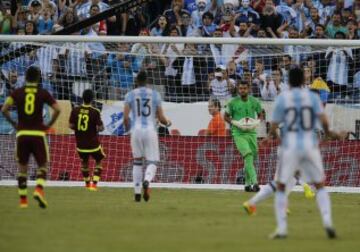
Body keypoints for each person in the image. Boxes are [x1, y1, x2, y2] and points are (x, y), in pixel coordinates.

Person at [266, 66, 338, 239]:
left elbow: (273, 125)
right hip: (309, 145)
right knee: (320, 185)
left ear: (289, 81)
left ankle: (282, 229)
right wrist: (330, 134)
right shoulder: (312, 98)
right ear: (304, 81)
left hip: (290, 146)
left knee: (282, 186)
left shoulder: (283, 98)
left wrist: (270, 137)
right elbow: (324, 121)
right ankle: (327, 222)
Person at [1, 65, 61, 208]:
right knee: (43, 166)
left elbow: (4, 109)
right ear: (38, 78)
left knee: (22, 168)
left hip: (22, 134)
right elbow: (57, 109)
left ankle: (23, 200)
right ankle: (39, 191)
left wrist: (14, 124)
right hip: (38, 134)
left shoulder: (17, 93)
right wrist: (48, 125)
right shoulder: (43, 93)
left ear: (26, 78)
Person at [123, 71, 171, 202]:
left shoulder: (130, 95)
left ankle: (137, 194)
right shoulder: (155, 95)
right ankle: (147, 180)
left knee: (137, 162)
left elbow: (125, 118)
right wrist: (168, 123)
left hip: (136, 130)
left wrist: (128, 129)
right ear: (147, 81)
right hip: (150, 130)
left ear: (136, 81)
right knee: (153, 161)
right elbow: (161, 118)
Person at [224, 81, 264, 192]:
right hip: (238, 133)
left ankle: (247, 184)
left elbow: (261, 114)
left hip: (252, 133)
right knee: (248, 154)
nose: (242, 90)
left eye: (244, 88)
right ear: (238, 89)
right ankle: (255, 182)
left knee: (251, 158)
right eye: (240, 88)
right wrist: (235, 123)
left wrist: (257, 122)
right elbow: (226, 116)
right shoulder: (233, 102)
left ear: (248, 89)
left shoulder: (254, 101)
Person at [69, 89, 105, 191]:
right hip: (93, 143)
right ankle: (94, 184)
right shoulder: (95, 111)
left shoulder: (75, 110)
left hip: (80, 144)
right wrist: (95, 128)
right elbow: (101, 128)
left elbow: (70, 125)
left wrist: (79, 129)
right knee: (99, 160)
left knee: (84, 162)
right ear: (92, 99)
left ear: (82, 98)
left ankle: (87, 184)